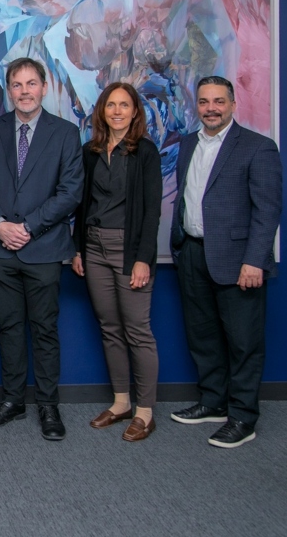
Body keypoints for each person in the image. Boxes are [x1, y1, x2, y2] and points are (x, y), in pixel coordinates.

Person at [169, 75, 282, 448]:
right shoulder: (188, 144)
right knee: (203, 337)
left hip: (238, 261)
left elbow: (268, 211)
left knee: (243, 342)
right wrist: (181, 247)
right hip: (194, 254)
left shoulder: (257, 148)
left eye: (219, 101)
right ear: (196, 106)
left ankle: (243, 418)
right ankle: (213, 402)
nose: (211, 108)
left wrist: (255, 261)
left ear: (233, 104)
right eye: (204, 102)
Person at [0, 57, 83, 441]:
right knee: (8, 328)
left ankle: (48, 405)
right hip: (1, 249)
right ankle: (12, 400)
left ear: (44, 86)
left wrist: (29, 227)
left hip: (44, 249)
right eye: (17, 85)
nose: (24, 91)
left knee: (44, 330)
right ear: (9, 90)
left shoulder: (66, 134)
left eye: (31, 83)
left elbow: (71, 192)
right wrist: (0, 225)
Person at [71, 82, 161, 442]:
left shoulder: (145, 153)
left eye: (125, 105)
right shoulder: (90, 151)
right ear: (102, 111)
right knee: (109, 328)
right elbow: (82, 206)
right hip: (94, 249)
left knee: (137, 331)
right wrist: (78, 249)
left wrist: (143, 260)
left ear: (135, 111)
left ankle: (145, 412)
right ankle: (121, 401)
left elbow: (152, 211)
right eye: (111, 105)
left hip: (129, 251)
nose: (118, 111)